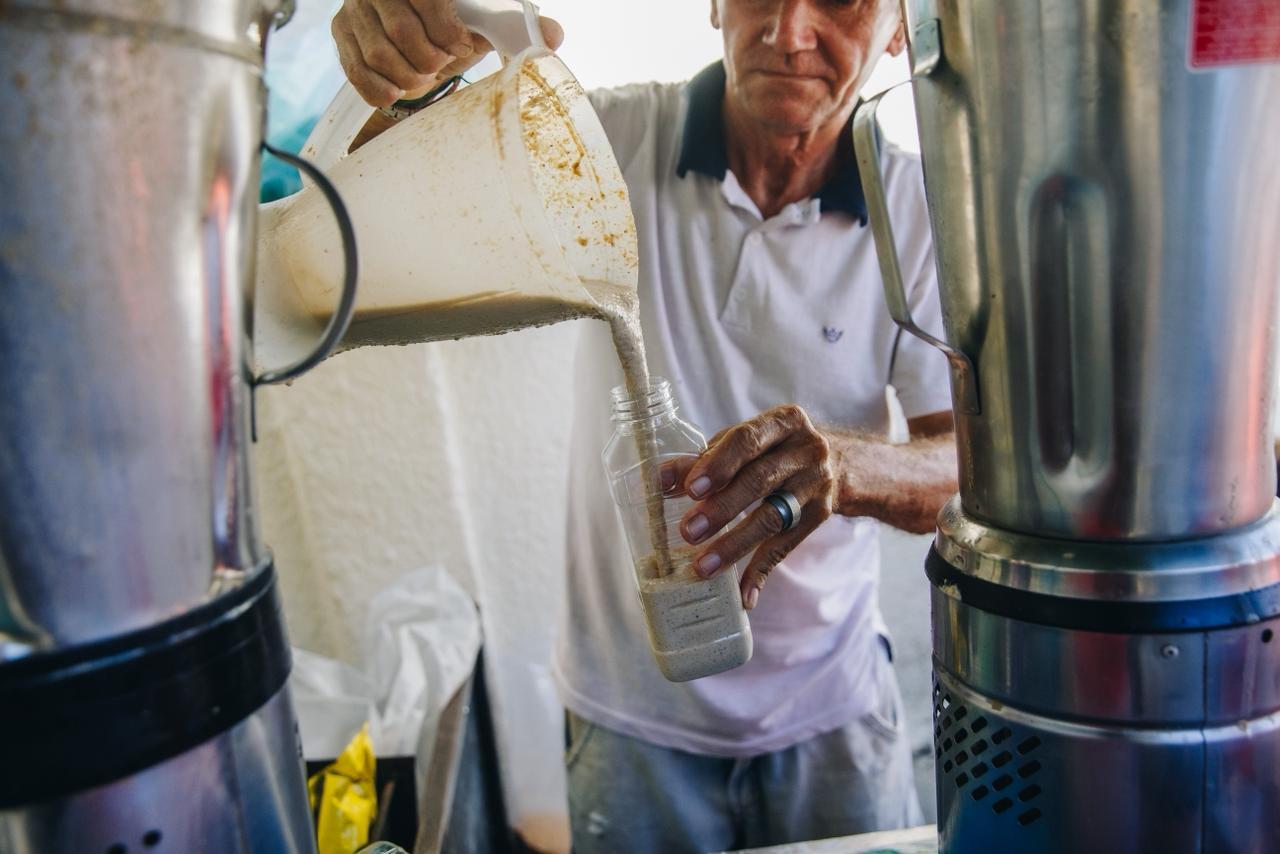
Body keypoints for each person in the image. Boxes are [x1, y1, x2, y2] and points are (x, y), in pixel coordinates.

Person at [332, 0, 959, 849]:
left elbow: (967, 465)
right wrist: (398, 71)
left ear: (898, 28)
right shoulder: (612, 139)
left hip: (832, 715)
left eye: (841, 0)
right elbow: (372, 203)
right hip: (627, 718)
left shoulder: (918, 208)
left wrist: (847, 468)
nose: (788, 32)